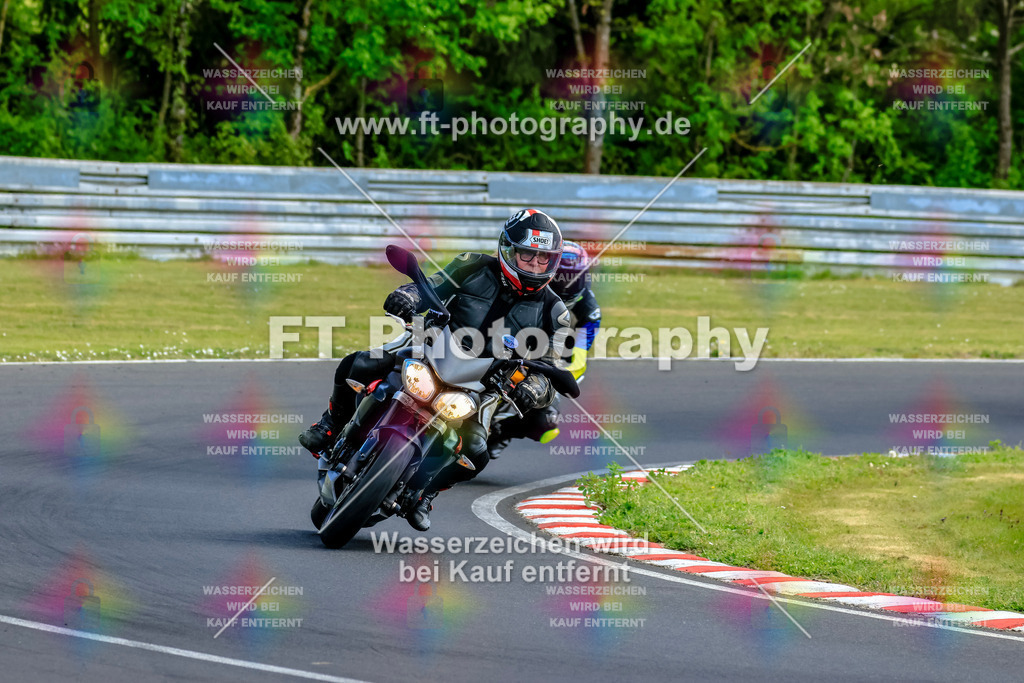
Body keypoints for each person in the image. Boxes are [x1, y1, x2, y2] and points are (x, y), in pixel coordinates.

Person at [299, 209, 572, 530]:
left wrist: (534, 388)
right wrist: (408, 295)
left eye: (544, 260)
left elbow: (553, 368)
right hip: (432, 346)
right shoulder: (473, 265)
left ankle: (422, 493)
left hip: (483, 385)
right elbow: (433, 286)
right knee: (359, 363)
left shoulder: (556, 311)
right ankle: (331, 425)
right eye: (528, 256)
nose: (536, 266)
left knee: (476, 452)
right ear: (509, 249)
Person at [486, 240, 602, 459]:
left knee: (547, 424)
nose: (567, 285)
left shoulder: (590, 311)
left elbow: (577, 358)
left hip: (543, 355)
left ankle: (502, 433)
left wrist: (554, 373)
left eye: (576, 278)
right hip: (501, 340)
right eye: (561, 278)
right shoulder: (524, 282)